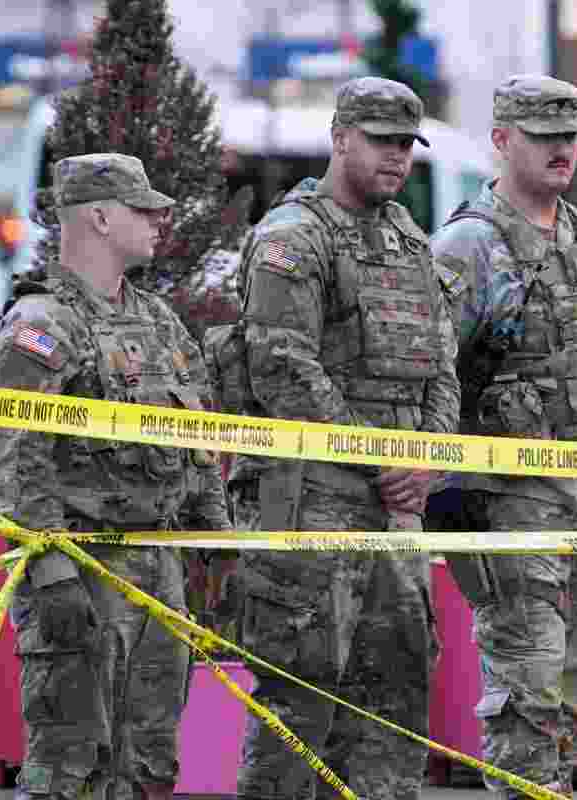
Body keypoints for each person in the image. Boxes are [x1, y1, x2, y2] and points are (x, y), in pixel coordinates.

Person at [224, 76, 461, 800]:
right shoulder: (294, 237)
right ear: (339, 139)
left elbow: (441, 366)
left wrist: (429, 460)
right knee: (301, 698)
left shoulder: (408, 239)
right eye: (381, 141)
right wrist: (381, 457)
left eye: (406, 145)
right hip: (313, 506)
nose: (397, 157)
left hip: (397, 511)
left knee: (396, 691)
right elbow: (283, 370)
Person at [429, 74, 577, 798]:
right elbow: (431, 372)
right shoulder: (469, 246)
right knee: (527, 686)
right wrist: (445, 482)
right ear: (502, 141)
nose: (562, 150)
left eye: (569, 137)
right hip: (511, 506)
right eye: (543, 137)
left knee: (574, 685)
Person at [0, 153, 230, 800]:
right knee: (72, 767)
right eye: (142, 209)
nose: (159, 220)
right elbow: (20, 456)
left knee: (151, 761)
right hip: (82, 566)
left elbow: (198, 436)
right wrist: (50, 570)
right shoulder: (42, 325)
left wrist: (216, 540)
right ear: (98, 217)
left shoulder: (158, 320)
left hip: (161, 565)